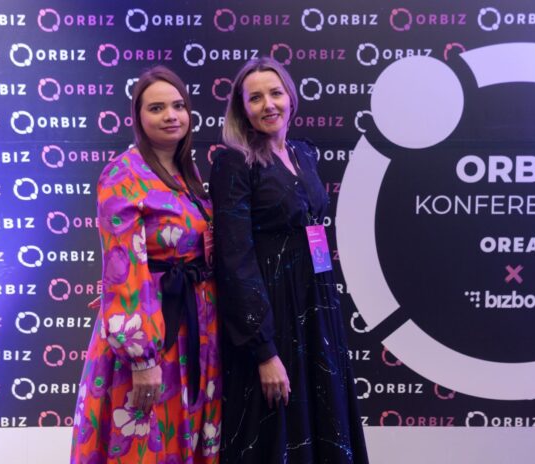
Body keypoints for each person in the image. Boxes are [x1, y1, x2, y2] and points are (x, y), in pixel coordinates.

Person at [209, 57, 369, 463]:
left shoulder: (303, 153)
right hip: (271, 314)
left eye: (275, 93)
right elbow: (235, 260)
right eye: (255, 98)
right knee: (275, 429)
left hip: (316, 307)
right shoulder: (234, 163)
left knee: (323, 420)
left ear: (291, 98)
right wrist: (263, 350)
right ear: (242, 108)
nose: (268, 105)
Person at [70, 65, 221, 464]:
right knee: (146, 443)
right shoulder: (122, 174)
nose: (171, 115)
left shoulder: (186, 171)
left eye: (178, 106)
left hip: (194, 328)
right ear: (138, 117)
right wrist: (142, 359)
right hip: (152, 333)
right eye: (157, 108)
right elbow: (122, 270)